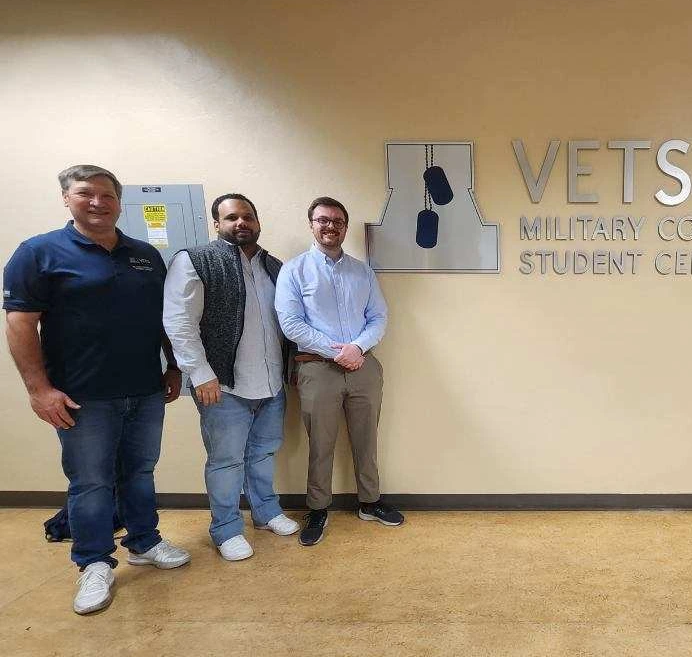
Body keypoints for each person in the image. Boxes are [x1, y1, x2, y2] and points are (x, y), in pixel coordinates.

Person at [3, 165, 190, 615]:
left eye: (107, 195)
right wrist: (38, 389)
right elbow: (20, 322)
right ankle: (93, 562)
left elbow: (163, 318)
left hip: (144, 389)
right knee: (91, 482)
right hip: (82, 395)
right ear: (66, 198)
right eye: (85, 194)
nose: (98, 202)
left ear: (119, 202)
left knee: (140, 471)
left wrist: (173, 367)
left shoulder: (143, 254)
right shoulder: (39, 252)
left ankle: (144, 541)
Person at [163, 193, 299, 562]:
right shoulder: (196, 260)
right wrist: (200, 374)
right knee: (225, 461)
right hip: (222, 385)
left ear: (257, 221)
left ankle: (267, 512)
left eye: (248, 216)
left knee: (264, 452)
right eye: (232, 217)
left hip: (270, 383)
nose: (241, 223)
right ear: (217, 224)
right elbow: (178, 322)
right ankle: (226, 528)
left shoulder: (274, 266)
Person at [274, 196, 403, 546]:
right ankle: (317, 509)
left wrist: (357, 348)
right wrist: (338, 351)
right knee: (322, 443)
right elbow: (291, 324)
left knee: (366, 438)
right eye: (322, 220)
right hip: (317, 370)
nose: (330, 226)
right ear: (312, 224)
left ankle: (369, 502)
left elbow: (379, 316)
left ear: (345, 226)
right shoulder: (294, 271)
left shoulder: (362, 271)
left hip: (364, 366)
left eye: (337, 221)